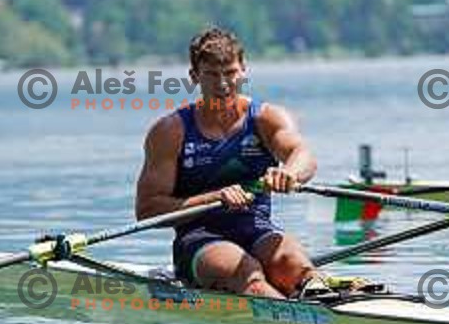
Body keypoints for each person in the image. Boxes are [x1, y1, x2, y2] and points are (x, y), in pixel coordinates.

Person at [135, 27, 328, 299]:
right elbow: (147, 210)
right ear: (194, 77)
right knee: (248, 274)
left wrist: (290, 174)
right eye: (212, 75)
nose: (223, 84)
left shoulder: (267, 118)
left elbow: (302, 154)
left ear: (243, 71)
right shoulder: (170, 132)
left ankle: (327, 303)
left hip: (257, 229)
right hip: (199, 238)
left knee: (298, 269)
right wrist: (213, 198)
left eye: (230, 73)